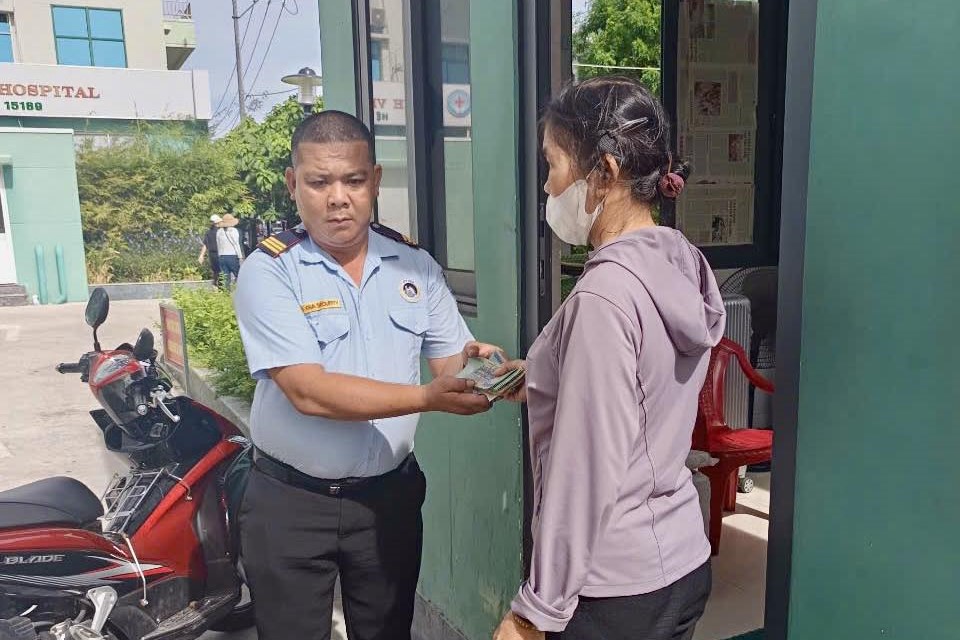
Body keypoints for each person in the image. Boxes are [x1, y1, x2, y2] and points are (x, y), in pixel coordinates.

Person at [233, 110, 498, 640]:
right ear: (292, 184)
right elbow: (308, 392)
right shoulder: (270, 270)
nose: (338, 198)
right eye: (319, 182)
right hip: (291, 504)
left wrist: (491, 372)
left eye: (353, 180)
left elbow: (453, 363)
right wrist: (427, 396)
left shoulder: (414, 266)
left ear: (375, 181)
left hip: (387, 501)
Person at [492, 77, 726, 640]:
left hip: (613, 588)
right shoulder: (678, 260)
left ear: (604, 172)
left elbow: (585, 468)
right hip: (679, 559)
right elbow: (641, 388)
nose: (547, 185)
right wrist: (534, 375)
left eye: (552, 165)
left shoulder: (604, 296)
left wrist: (536, 610)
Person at [216, 213, 244, 288]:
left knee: (225, 278)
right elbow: (236, 244)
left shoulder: (219, 232)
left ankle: (226, 292)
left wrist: (219, 255)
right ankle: (240, 290)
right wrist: (240, 256)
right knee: (238, 275)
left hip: (222, 256)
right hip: (232, 256)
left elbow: (218, 245)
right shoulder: (234, 231)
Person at [198, 214, 222, 288]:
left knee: (215, 271)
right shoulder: (220, 232)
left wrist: (201, 255)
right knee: (221, 271)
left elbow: (205, 245)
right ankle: (221, 288)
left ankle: (215, 285)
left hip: (212, 254)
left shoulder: (208, 232)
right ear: (217, 223)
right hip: (220, 253)